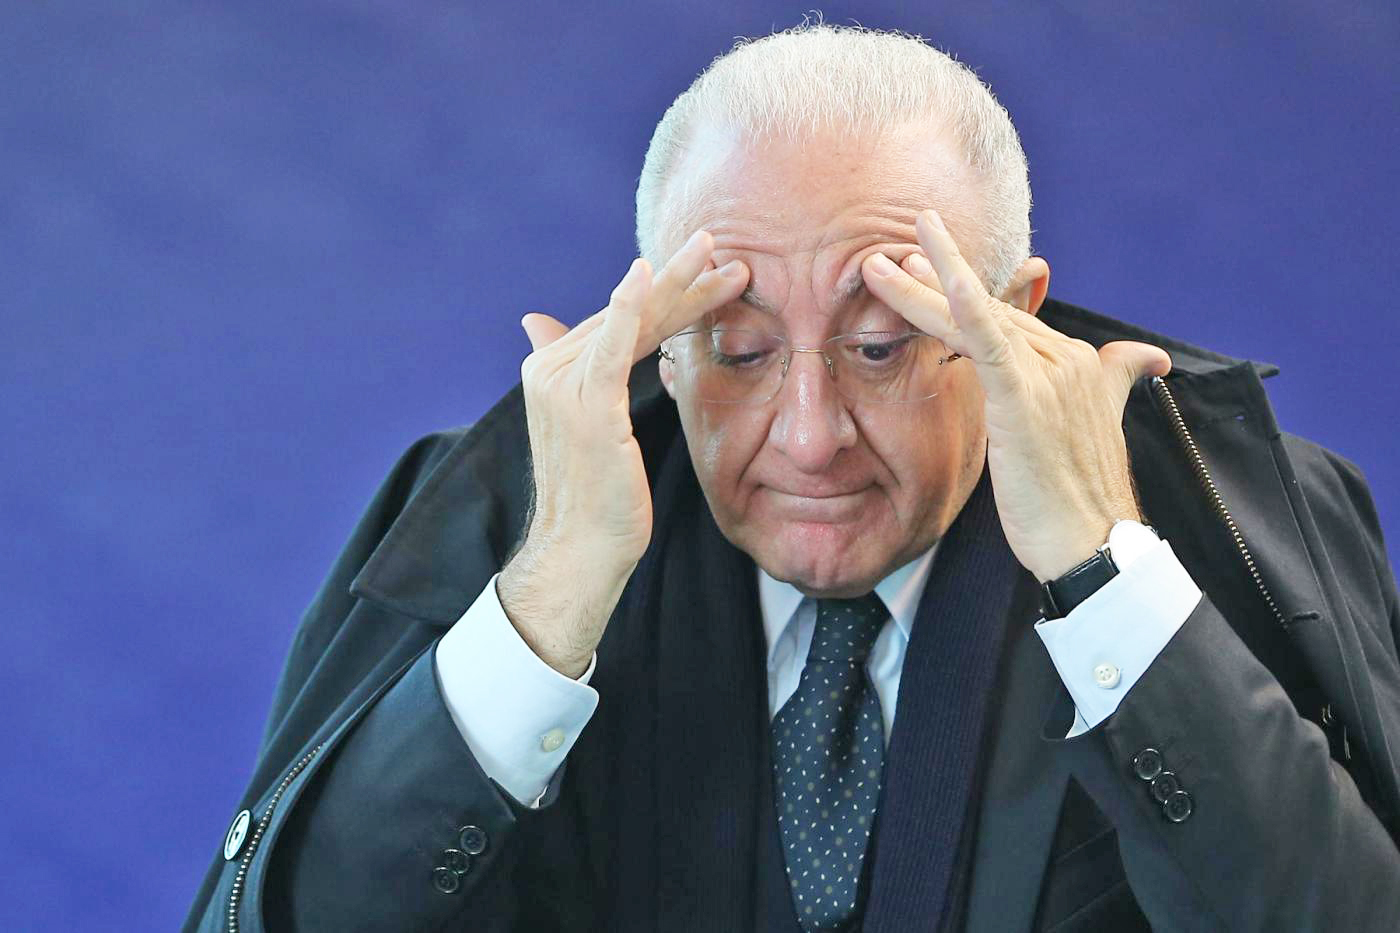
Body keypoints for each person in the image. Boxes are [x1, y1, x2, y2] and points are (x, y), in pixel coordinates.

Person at [185, 23, 1400, 933]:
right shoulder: (495, 517)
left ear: (1013, 318)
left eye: (879, 347)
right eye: (737, 349)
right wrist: (550, 594)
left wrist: (1105, 574)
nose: (809, 438)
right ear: (659, 336)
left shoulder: (1223, 516)